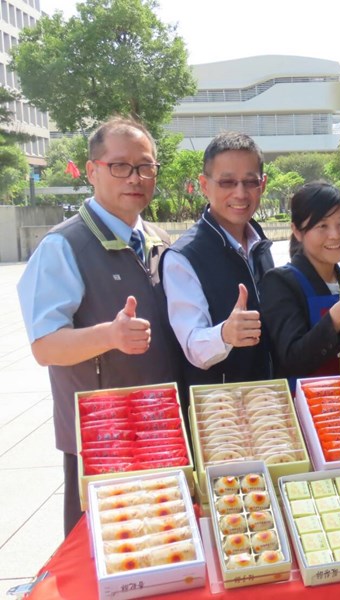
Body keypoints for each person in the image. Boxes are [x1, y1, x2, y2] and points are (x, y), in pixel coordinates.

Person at [17, 116, 179, 536]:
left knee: (165, 542)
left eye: (146, 166)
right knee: (107, 548)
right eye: (119, 166)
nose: (135, 178)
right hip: (103, 435)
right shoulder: (64, 246)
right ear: (92, 171)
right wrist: (109, 335)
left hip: (162, 426)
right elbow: (45, 346)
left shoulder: (160, 241)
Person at [161, 132, 275, 391]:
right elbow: (192, 346)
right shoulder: (184, 257)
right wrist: (226, 334)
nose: (240, 193)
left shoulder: (261, 244)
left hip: (271, 402)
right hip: (220, 412)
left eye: (250, 182)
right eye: (227, 182)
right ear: (204, 185)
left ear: (263, 184)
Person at [259, 182, 340, 384]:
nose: (335, 234)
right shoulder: (280, 282)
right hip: (306, 408)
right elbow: (292, 358)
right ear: (297, 231)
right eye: (322, 225)